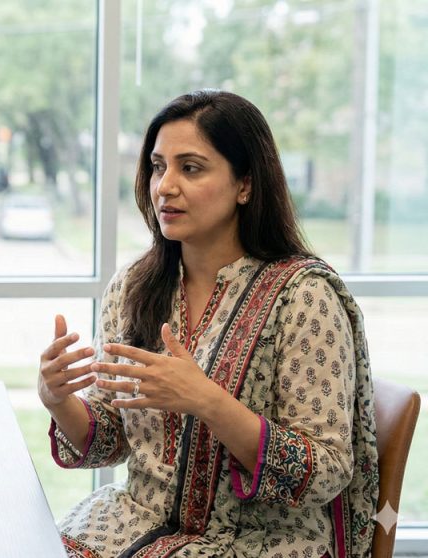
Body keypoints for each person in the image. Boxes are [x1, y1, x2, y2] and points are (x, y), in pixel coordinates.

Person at [37, 90, 377, 558]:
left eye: (190, 168)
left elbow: (327, 470)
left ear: (245, 185)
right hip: (132, 524)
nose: (165, 186)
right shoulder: (133, 286)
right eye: (158, 166)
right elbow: (109, 440)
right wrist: (57, 399)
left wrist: (208, 401)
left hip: (261, 543)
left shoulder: (304, 297)